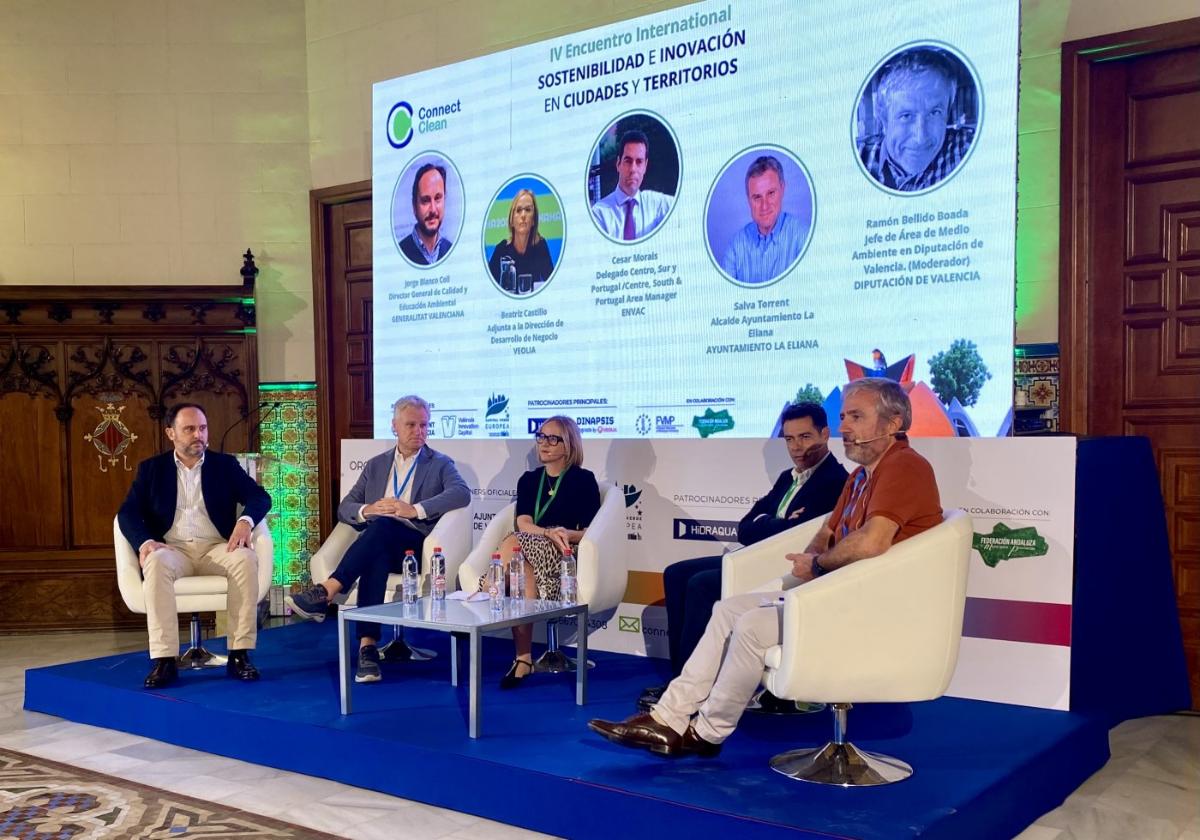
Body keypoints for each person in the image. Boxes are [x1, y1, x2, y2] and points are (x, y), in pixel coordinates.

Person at [589, 378, 942, 757]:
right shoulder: (860, 476)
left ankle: (708, 733)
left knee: (752, 625)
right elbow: (825, 530)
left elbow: (873, 541)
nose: (845, 428)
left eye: (856, 417)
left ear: (893, 423)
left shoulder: (904, 466)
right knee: (727, 609)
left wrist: (818, 565)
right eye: (843, 417)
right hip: (835, 593)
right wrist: (809, 563)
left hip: (868, 603)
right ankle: (668, 718)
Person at [637, 402, 847, 711]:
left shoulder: (834, 480)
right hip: (754, 558)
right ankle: (682, 679)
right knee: (676, 573)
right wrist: (778, 524)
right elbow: (745, 527)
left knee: (701, 584)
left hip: (787, 567)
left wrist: (772, 525)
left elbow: (798, 534)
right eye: (789, 439)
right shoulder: (788, 478)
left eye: (804, 437)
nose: (796, 447)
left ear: (825, 434)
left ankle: (699, 689)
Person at [286, 395, 469, 683]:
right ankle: (367, 648)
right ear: (394, 426)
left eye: (424, 425)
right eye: (411, 424)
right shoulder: (376, 465)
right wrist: (367, 509)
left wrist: (415, 509)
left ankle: (329, 589)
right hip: (379, 541)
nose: (418, 431)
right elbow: (345, 507)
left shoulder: (440, 463)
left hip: (413, 544)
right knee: (377, 549)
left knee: (382, 530)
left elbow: (462, 493)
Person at [117, 402, 272, 689]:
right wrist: (146, 542)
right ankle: (164, 660)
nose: (198, 435)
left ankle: (239, 653)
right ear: (171, 433)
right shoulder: (151, 469)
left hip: (216, 547)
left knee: (245, 558)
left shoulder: (224, 466)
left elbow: (260, 497)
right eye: (189, 429)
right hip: (174, 549)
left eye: (202, 428)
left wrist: (246, 521)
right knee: (156, 561)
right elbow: (126, 513)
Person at [486, 416, 600, 689]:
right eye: (541, 436)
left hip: (563, 552)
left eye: (553, 439)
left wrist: (561, 534)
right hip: (531, 542)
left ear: (569, 444)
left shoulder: (583, 480)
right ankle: (523, 658)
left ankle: (488, 588)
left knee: (513, 548)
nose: (544, 444)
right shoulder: (529, 479)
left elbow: (590, 531)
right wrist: (546, 532)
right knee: (519, 562)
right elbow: (523, 522)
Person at [858, 48, 975, 192]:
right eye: (906, 116)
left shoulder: (969, 148)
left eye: (935, 113)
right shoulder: (854, 160)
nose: (921, 137)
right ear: (883, 118)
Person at [720, 155, 809, 284]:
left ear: (783, 189)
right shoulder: (736, 245)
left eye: (771, 193)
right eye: (757, 197)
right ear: (748, 199)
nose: (764, 206)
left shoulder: (802, 237)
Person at [590, 129, 673, 241]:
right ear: (618, 164)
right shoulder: (599, 213)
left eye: (639, 162)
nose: (633, 169)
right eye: (628, 161)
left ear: (645, 166)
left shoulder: (658, 205)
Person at [487, 188, 554, 292]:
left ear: (533, 220)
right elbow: (488, 290)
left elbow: (551, 286)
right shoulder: (501, 250)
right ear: (512, 220)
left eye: (528, 210)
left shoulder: (541, 247)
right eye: (518, 210)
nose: (523, 215)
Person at [398, 162, 453, 265]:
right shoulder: (399, 252)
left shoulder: (451, 249)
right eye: (425, 200)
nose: (433, 209)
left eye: (437, 198)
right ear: (414, 206)